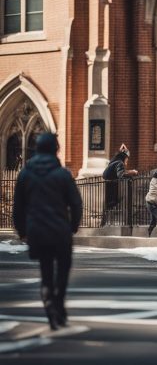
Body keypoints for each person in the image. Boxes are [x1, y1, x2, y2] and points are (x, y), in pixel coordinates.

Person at [12, 133, 82, 330]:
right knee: (63, 270)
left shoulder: (25, 174)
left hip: (37, 231)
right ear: (55, 150)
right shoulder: (62, 174)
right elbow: (76, 203)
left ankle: (48, 300)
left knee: (46, 271)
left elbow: (18, 207)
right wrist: (73, 226)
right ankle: (58, 304)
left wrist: (22, 231)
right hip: (60, 231)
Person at [101, 144, 138, 226]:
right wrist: (132, 172)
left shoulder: (114, 162)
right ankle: (109, 223)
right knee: (113, 204)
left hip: (109, 185)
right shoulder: (119, 163)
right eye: (127, 159)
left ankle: (106, 223)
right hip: (112, 186)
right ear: (124, 157)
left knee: (110, 205)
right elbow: (121, 174)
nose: (127, 161)